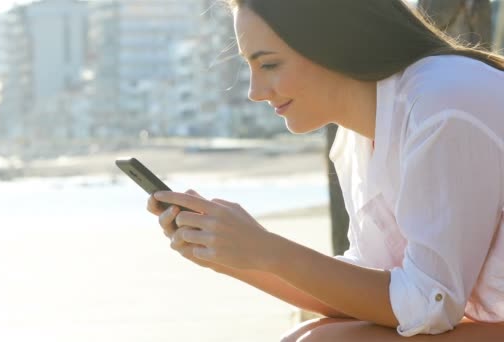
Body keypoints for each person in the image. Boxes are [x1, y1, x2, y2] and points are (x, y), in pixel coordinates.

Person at [147, 0, 504, 340]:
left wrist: (267, 249)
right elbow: (375, 296)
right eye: (250, 67)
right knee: (309, 336)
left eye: (269, 64)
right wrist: (233, 257)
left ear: (332, 43)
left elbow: (427, 304)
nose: (255, 92)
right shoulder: (357, 139)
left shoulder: (442, 104)